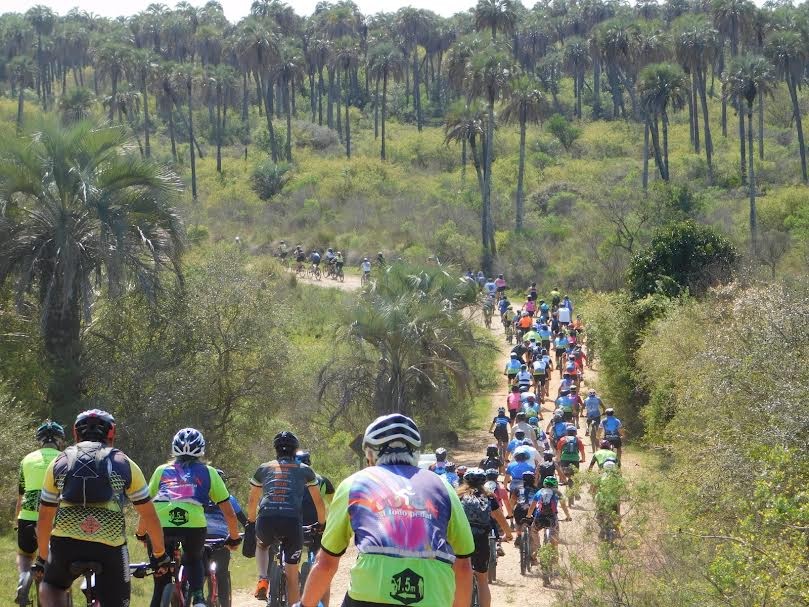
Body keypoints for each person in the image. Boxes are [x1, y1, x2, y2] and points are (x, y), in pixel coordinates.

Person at [296, 414, 474, 607]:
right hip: (432, 596)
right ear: (415, 452)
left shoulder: (354, 484)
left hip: (369, 595)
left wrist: (304, 605)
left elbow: (327, 563)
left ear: (371, 455)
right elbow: (463, 566)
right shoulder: (444, 488)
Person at [35, 410, 169, 607]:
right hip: (110, 547)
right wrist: (159, 555)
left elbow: (45, 517)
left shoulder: (59, 462)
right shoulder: (125, 464)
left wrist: (42, 558)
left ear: (75, 433)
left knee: (51, 585)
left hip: (65, 545)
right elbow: (149, 516)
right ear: (111, 434)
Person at [145, 428, 242, 607]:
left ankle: (162, 594)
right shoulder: (209, 472)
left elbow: (145, 506)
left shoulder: (161, 471)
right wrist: (234, 538)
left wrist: (141, 534)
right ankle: (198, 598)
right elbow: (229, 512)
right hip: (193, 526)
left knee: (160, 584)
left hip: (161, 526)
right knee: (194, 557)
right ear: (201, 450)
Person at [248, 431, 326, 604]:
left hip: (266, 519)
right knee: (292, 577)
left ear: (276, 450)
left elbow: (253, 499)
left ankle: (263, 578)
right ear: (295, 450)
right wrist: (322, 524)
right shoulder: (305, 470)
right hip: (292, 522)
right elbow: (319, 503)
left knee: (262, 545)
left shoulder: (264, 468)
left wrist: (251, 522)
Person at [15, 421, 65, 602]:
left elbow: (21, 496)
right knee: (53, 566)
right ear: (60, 440)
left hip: (27, 516)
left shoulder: (26, 460)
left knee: (25, 556)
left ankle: (23, 578)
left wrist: (17, 522)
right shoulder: (65, 458)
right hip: (56, 519)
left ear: (40, 441)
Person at [457, 469, 512, 607]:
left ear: (465, 481)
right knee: (482, 579)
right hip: (481, 540)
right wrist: (508, 533)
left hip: (462, 540)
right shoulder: (489, 496)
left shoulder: (458, 496)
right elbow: (500, 517)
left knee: (457, 577)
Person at [204, 470, 249, 607]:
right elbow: (244, 521)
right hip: (221, 541)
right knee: (222, 574)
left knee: (199, 573)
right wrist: (245, 534)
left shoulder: (200, 497)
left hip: (200, 538)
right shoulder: (230, 499)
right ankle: (224, 603)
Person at [296, 451, 335, 606]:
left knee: (287, 559)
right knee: (322, 568)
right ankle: (324, 604)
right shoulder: (321, 480)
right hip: (317, 526)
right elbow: (334, 503)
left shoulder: (289, 479)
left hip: (293, 525)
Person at [526, 477, 571, 576]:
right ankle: (555, 564)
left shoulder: (539, 492)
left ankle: (535, 552)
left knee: (533, 531)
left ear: (544, 484)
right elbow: (563, 506)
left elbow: (532, 506)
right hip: (552, 519)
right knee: (554, 541)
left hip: (539, 518)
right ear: (555, 485)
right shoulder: (557, 493)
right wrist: (568, 516)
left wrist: (529, 516)